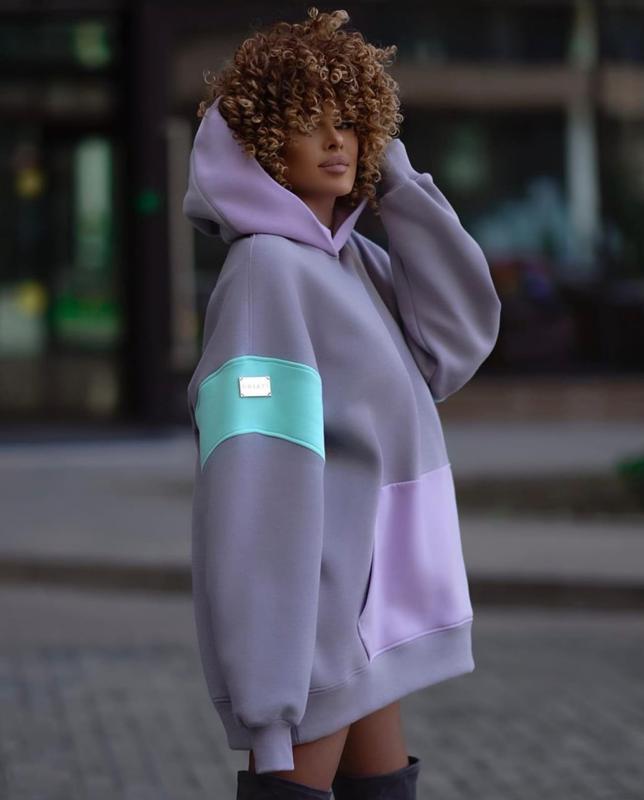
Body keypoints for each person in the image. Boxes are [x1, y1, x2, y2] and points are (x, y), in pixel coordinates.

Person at [183, 7, 502, 799]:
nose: (337, 142)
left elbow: (457, 339)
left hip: (372, 596)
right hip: (318, 607)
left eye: (351, 122)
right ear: (262, 143)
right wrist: (269, 683)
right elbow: (254, 481)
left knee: (381, 786)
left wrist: (397, 184)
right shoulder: (267, 275)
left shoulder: (350, 261)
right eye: (308, 122)